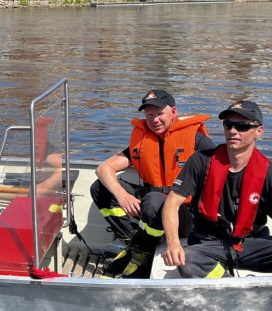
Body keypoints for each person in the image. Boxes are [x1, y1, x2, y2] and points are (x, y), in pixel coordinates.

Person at [160, 99, 272, 278]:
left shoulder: (270, 174)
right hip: (209, 243)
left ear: (259, 132)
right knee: (189, 262)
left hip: (251, 244)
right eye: (228, 125)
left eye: (242, 127)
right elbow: (172, 203)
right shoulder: (200, 161)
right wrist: (173, 242)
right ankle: (233, 288)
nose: (233, 131)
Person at [90, 89, 213, 278]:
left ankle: (141, 253)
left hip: (185, 214)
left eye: (159, 114)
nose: (154, 120)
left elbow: (220, 174)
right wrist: (123, 196)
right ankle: (133, 244)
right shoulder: (143, 140)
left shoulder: (197, 139)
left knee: (155, 199)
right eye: (149, 115)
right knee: (100, 188)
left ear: (173, 112)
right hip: (150, 207)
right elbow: (103, 169)